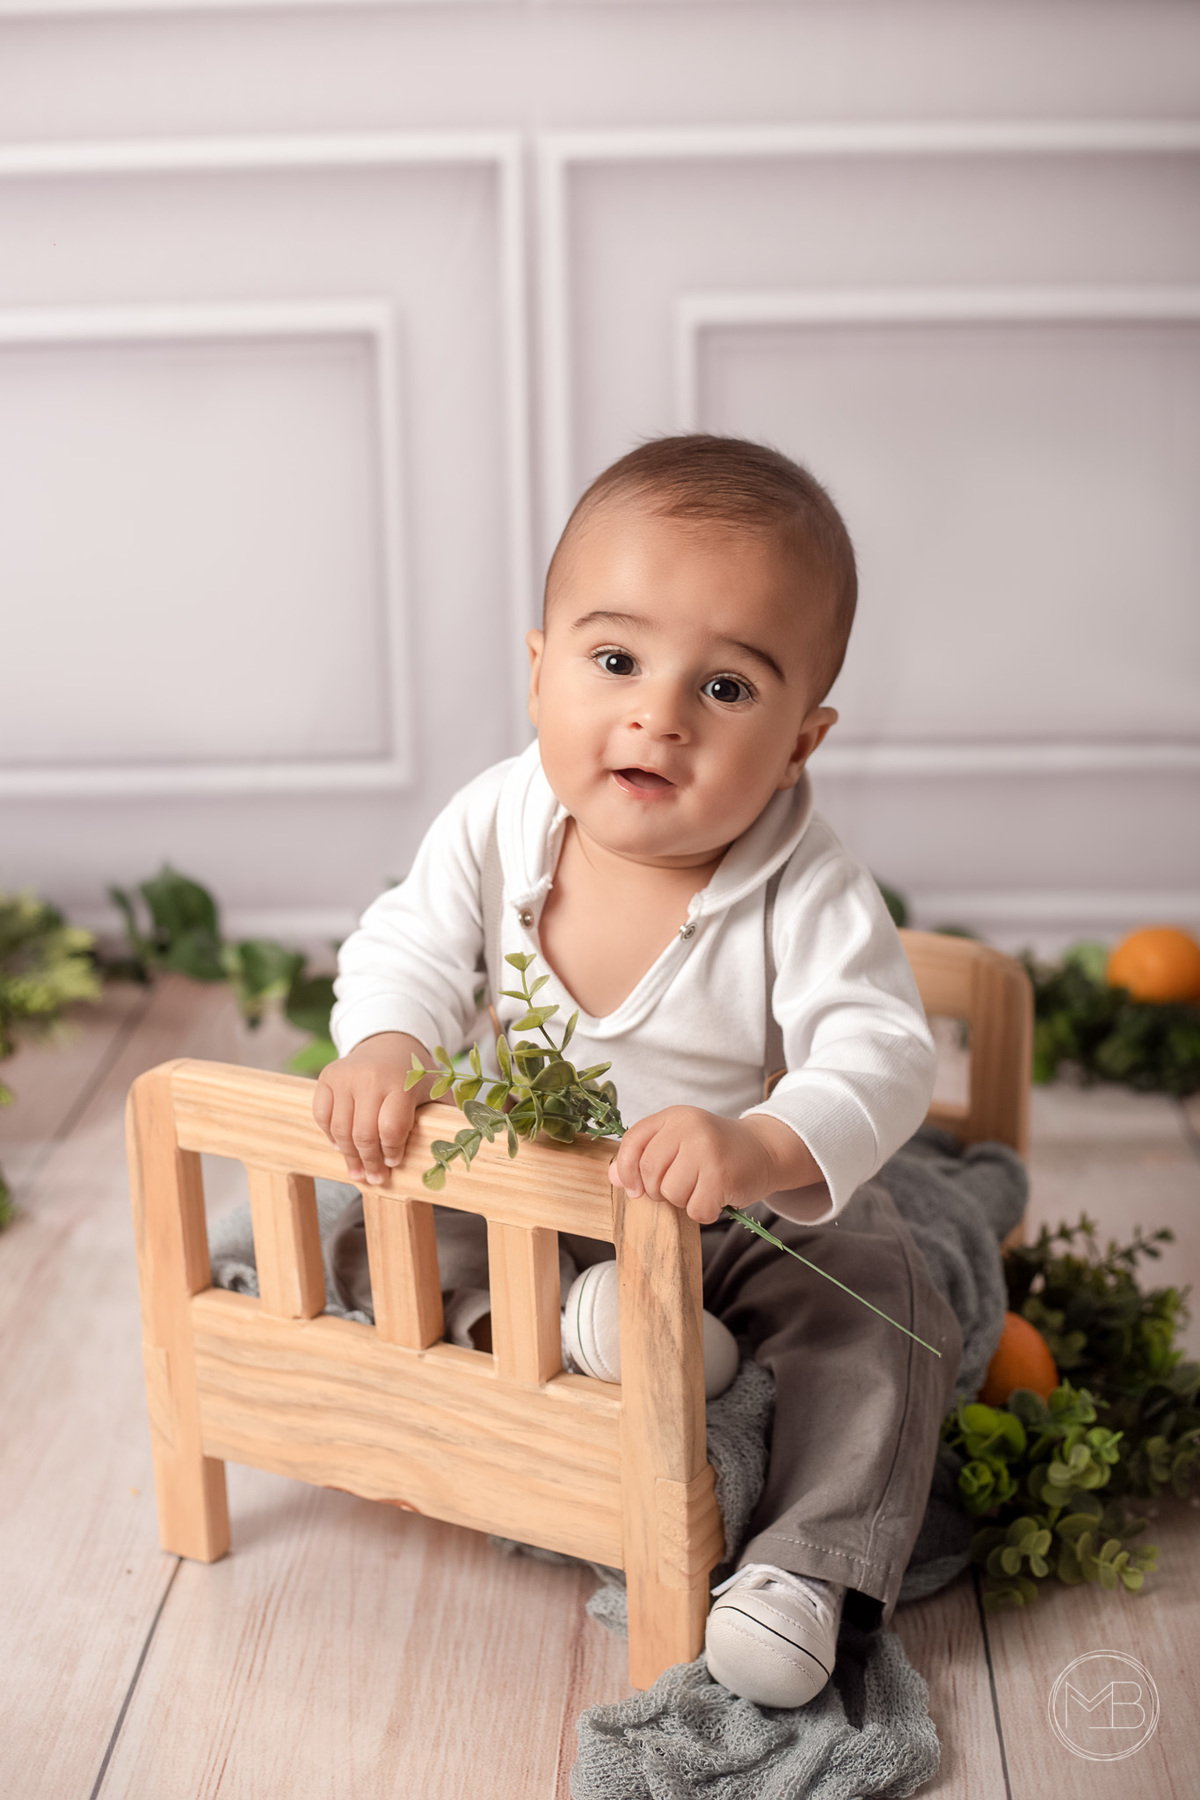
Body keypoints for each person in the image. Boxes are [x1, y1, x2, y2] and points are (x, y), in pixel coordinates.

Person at [314, 434, 961, 1709]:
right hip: (538, 1199)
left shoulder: (805, 881)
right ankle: (546, 1331)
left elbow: (880, 1048)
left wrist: (765, 1145)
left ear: (798, 744)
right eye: (616, 661)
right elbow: (409, 942)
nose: (657, 714)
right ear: (541, 670)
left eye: (726, 689)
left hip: (737, 1214)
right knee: (373, 1207)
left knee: (890, 1307)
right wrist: (388, 1039)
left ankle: (802, 1568)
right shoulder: (496, 819)